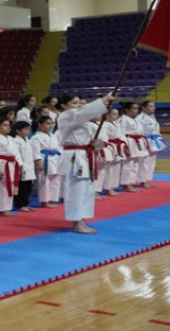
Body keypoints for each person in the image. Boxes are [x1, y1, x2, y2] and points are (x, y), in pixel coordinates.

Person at [56, 92, 115, 234]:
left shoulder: (88, 124)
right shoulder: (65, 117)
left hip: (86, 157)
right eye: (74, 103)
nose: (78, 106)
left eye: (79, 103)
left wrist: (96, 144)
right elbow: (82, 113)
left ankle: (82, 219)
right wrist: (104, 100)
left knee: (87, 190)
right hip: (74, 157)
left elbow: (100, 144)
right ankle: (76, 222)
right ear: (64, 105)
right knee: (76, 190)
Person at [0, 117, 20, 217]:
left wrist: (19, 165)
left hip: (11, 163)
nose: (8, 127)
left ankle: (7, 207)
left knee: (10, 185)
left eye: (8, 125)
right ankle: (1, 208)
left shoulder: (11, 139)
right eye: (4, 125)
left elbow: (16, 153)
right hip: (1, 163)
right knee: (1, 186)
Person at [30, 116, 61, 208]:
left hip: (55, 158)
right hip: (44, 159)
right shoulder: (36, 137)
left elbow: (58, 148)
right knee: (44, 181)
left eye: (51, 123)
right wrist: (38, 162)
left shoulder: (53, 135)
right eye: (47, 123)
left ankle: (53, 198)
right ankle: (44, 201)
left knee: (55, 179)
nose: (50, 126)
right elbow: (35, 151)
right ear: (40, 125)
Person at [118, 102, 148, 193]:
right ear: (127, 110)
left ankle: (131, 182)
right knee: (128, 164)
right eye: (134, 108)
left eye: (137, 108)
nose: (137, 110)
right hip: (129, 142)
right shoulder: (123, 119)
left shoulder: (135, 119)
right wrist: (124, 146)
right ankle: (126, 184)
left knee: (135, 164)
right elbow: (120, 134)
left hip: (136, 143)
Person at [137, 101, 166, 189]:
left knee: (151, 161)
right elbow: (139, 131)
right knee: (144, 161)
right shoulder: (140, 118)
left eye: (153, 106)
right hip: (145, 140)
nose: (153, 108)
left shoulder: (152, 117)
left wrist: (159, 137)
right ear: (143, 108)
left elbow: (155, 130)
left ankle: (147, 180)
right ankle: (143, 181)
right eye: (150, 106)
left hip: (154, 141)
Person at [11, 121, 36, 212]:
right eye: (25, 129)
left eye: (28, 129)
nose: (28, 131)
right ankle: (20, 204)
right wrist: (19, 167)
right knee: (21, 187)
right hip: (21, 167)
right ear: (18, 131)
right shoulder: (15, 141)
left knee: (28, 187)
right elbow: (17, 155)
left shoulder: (28, 141)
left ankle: (25, 203)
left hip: (29, 167)